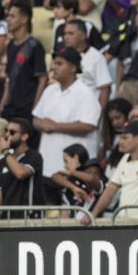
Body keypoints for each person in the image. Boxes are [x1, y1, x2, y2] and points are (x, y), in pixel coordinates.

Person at [32, 48, 102, 198]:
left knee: (71, 214)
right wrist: (42, 124)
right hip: (48, 166)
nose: (53, 67)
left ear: (73, 68)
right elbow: (35, 119)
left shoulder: (85, 93)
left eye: (59, 63)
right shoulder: (50, 90)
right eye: (53, 63)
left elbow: (89, 125)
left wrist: (55, 126)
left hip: (74, 171)